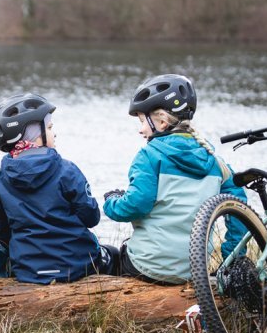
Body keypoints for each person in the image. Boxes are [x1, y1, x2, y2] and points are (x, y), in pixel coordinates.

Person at [103, 74, 245, 285]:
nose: (140, 128)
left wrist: (112, 202)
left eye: (143, 121)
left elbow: (135, 206)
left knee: (109, 256)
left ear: (161, 122)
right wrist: (231, 258)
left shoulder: (149, 156)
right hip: (195, 270)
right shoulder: (216, 163)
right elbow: (240, 210)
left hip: (148, 267)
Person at [0, 93, 118, 284]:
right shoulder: (67, 170)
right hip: (77, 266)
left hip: (28, 270)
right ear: (33, 135)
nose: (54, 133)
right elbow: (91, 217)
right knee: (113, 253)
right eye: (49, 127)